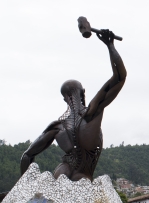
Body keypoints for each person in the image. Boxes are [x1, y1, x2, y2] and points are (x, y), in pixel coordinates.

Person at [20, 29, 127, 182]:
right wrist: (110, 46)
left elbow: (27, 156)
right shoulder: (91, 113)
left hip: (61, 173)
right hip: (82, 177)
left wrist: (26, 188)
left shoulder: (57, 127)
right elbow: (120, 77)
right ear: (83, 93)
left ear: (64, 99)